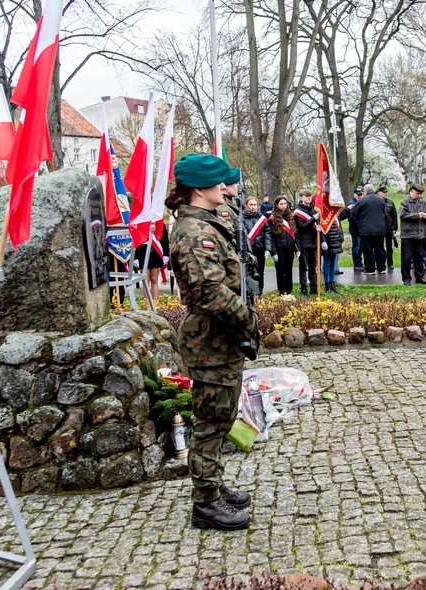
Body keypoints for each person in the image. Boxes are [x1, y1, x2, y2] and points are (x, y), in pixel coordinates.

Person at [165, 153, 256, 531]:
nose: (225, 186)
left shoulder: (205, 223)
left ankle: (214, 486)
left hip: (220, 339)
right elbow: (207, 291)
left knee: (220, 417)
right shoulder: (193, 233)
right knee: (210, 422)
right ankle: (205, 503)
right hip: (211, 340)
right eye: (218, 181)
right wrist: (247, 318)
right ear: (200, 189)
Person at [399, 184, 426, 285]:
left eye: (420, 194)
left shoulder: (423, 202)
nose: (419, 196)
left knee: (419, 257)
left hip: (419, 234)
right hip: (407, 235)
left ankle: (419, 277)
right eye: (417, 193)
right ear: (411, 192)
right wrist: (417, 215)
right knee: (406, 258)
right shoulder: (405, 202)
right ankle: (406, 278)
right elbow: (402, 215)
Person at [353, 184, 388, 275]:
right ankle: (381, 268)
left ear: (365, 191)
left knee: (368, 250)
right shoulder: (381, 200)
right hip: (380, 229)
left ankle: (370, 269)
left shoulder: (362, 201)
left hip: (366, 230)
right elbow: (384, 213)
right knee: (380, 249)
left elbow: (354, 213)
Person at [241, 195, 272, 294]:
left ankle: (259, 293)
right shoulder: (242, 218)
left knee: (259, 272)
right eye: (251, 205)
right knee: (248, 272)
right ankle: (249, 293)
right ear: (246, 205)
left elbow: (267, 234)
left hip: (260, 249)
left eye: (255, 205)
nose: (253, 207)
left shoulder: (262, 219)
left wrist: (268, 249)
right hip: (247, 250)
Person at [293, 189, 321, 296]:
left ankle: (314, 288)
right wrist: (313, 219)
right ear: (301, 198)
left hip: (313, 243)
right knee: (303, 268)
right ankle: (304, 290)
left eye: (310, 196)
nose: (309, 198)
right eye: (306, 196)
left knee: (313, 268)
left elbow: (318, 226)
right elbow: (302, 227)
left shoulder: (315, 209)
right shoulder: (298, 212)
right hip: (303, 243)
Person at [269, 195, 297, 295]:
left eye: (285, 203)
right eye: (281, 204)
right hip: (279, 248)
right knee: (281, 271)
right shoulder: (272, 218)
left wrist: (296, 248)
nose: (284, 206)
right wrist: (273, 252)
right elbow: (271, 237)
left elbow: (293, 234)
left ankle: (289, 291)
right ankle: (282, 291)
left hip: (289, 248)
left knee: (289, 270)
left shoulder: (290, 217)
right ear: (276, 205)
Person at [133, 224, 169, 302]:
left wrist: (166, 254)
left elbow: (165, 240)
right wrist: (135, 257)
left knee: (154, 279)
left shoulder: (159, 222)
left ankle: (155, 302)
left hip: (156, 253)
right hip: (142, 252)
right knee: (145, 279)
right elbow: (135, 239)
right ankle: (147, 303)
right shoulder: (141, 221)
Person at [338, 188, 364, 271]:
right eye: (358, 195)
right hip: (355, 230)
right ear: (354, 194)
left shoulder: (360, 202)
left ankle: (359, 263)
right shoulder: (352, 203)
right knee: (356, 247)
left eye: (360, 194)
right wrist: (360, 225)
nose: (359, 196)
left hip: (360, 229)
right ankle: (357, 264)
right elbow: (351, 218)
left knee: (360, 248)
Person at [321, 219, 344, 294]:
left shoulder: (336, 214)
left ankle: (332, 283)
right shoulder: (324, 214)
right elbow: (322, 230)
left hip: (335, 241)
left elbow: (339, 227)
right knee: (327, 262)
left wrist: (341, 237)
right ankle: (327, 285)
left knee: (333, 263)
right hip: (328, 241)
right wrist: (323, 241)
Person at [379, 186, 398, 270]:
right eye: (384, 192)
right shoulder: (377, 202)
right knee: (380, 247)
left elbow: (394, 215)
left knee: (389, 246)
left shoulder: (390, 202)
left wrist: (395, 228)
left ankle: (390, 263)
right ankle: (381, 263)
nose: (386, 193)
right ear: (379, 193)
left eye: (386, 192)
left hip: (389, 228)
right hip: (379, 228)